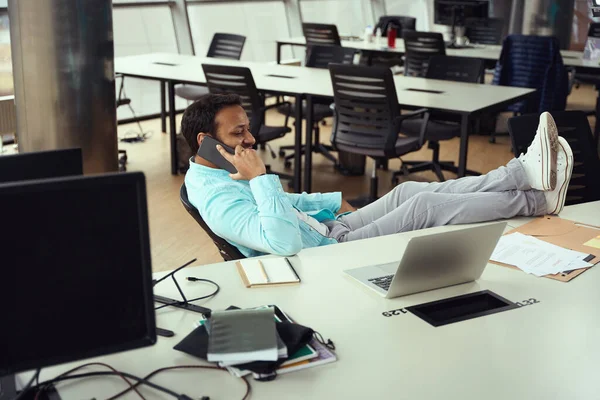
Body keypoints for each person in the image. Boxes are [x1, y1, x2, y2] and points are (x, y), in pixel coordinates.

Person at [183, 93, 573, 258]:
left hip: (328, 229)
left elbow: (285, 207)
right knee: (423, 207)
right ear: (205, 142)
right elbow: (283, 243)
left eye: (247, 128)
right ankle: (538, 200)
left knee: (407, 191)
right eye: (239, 133)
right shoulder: (218, 200)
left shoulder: (219, 172)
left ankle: (520, 172)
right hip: (325, 254)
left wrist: (331, 203)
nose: (251, 138)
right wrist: (259, 178)